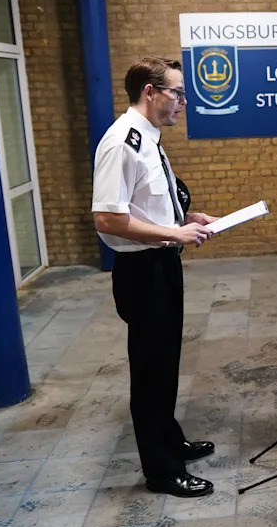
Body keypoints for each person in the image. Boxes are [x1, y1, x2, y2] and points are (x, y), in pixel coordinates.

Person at [92, 57, 219, 498]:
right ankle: (162, 472)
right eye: (177, 93)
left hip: (163, 262)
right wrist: (172, 232)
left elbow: (145, 200)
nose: (183, 101)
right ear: (150, 91)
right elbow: (108, 218)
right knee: (150, 372)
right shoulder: (121, 143)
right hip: (142, 271)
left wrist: (183, 217)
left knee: (166, 365)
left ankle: (169, 440)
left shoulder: (149, 138)